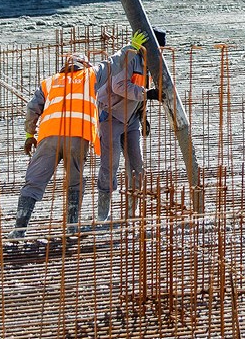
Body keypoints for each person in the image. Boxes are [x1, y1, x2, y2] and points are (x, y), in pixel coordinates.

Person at [11, 52, 101, 238]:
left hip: (49, 138)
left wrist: (29, 135)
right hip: (77, 137)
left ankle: (19, 230)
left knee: (34, 180)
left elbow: (32, 109)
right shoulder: (90, 78)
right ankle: (72, 227)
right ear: (85, 65)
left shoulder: (49, 82)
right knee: (75, 182)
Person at [95, 29, 164, 222]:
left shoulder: (151, 64)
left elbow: (140, 88)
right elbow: (119, 86)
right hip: (110, 115)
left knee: (136, 165)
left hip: (131, 119)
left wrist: (142, 116)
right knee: (110, 164)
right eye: (158, 50)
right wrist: (146, 94)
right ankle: (103, 214)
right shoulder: (130, 58)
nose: (160, 54)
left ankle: (132, 212)